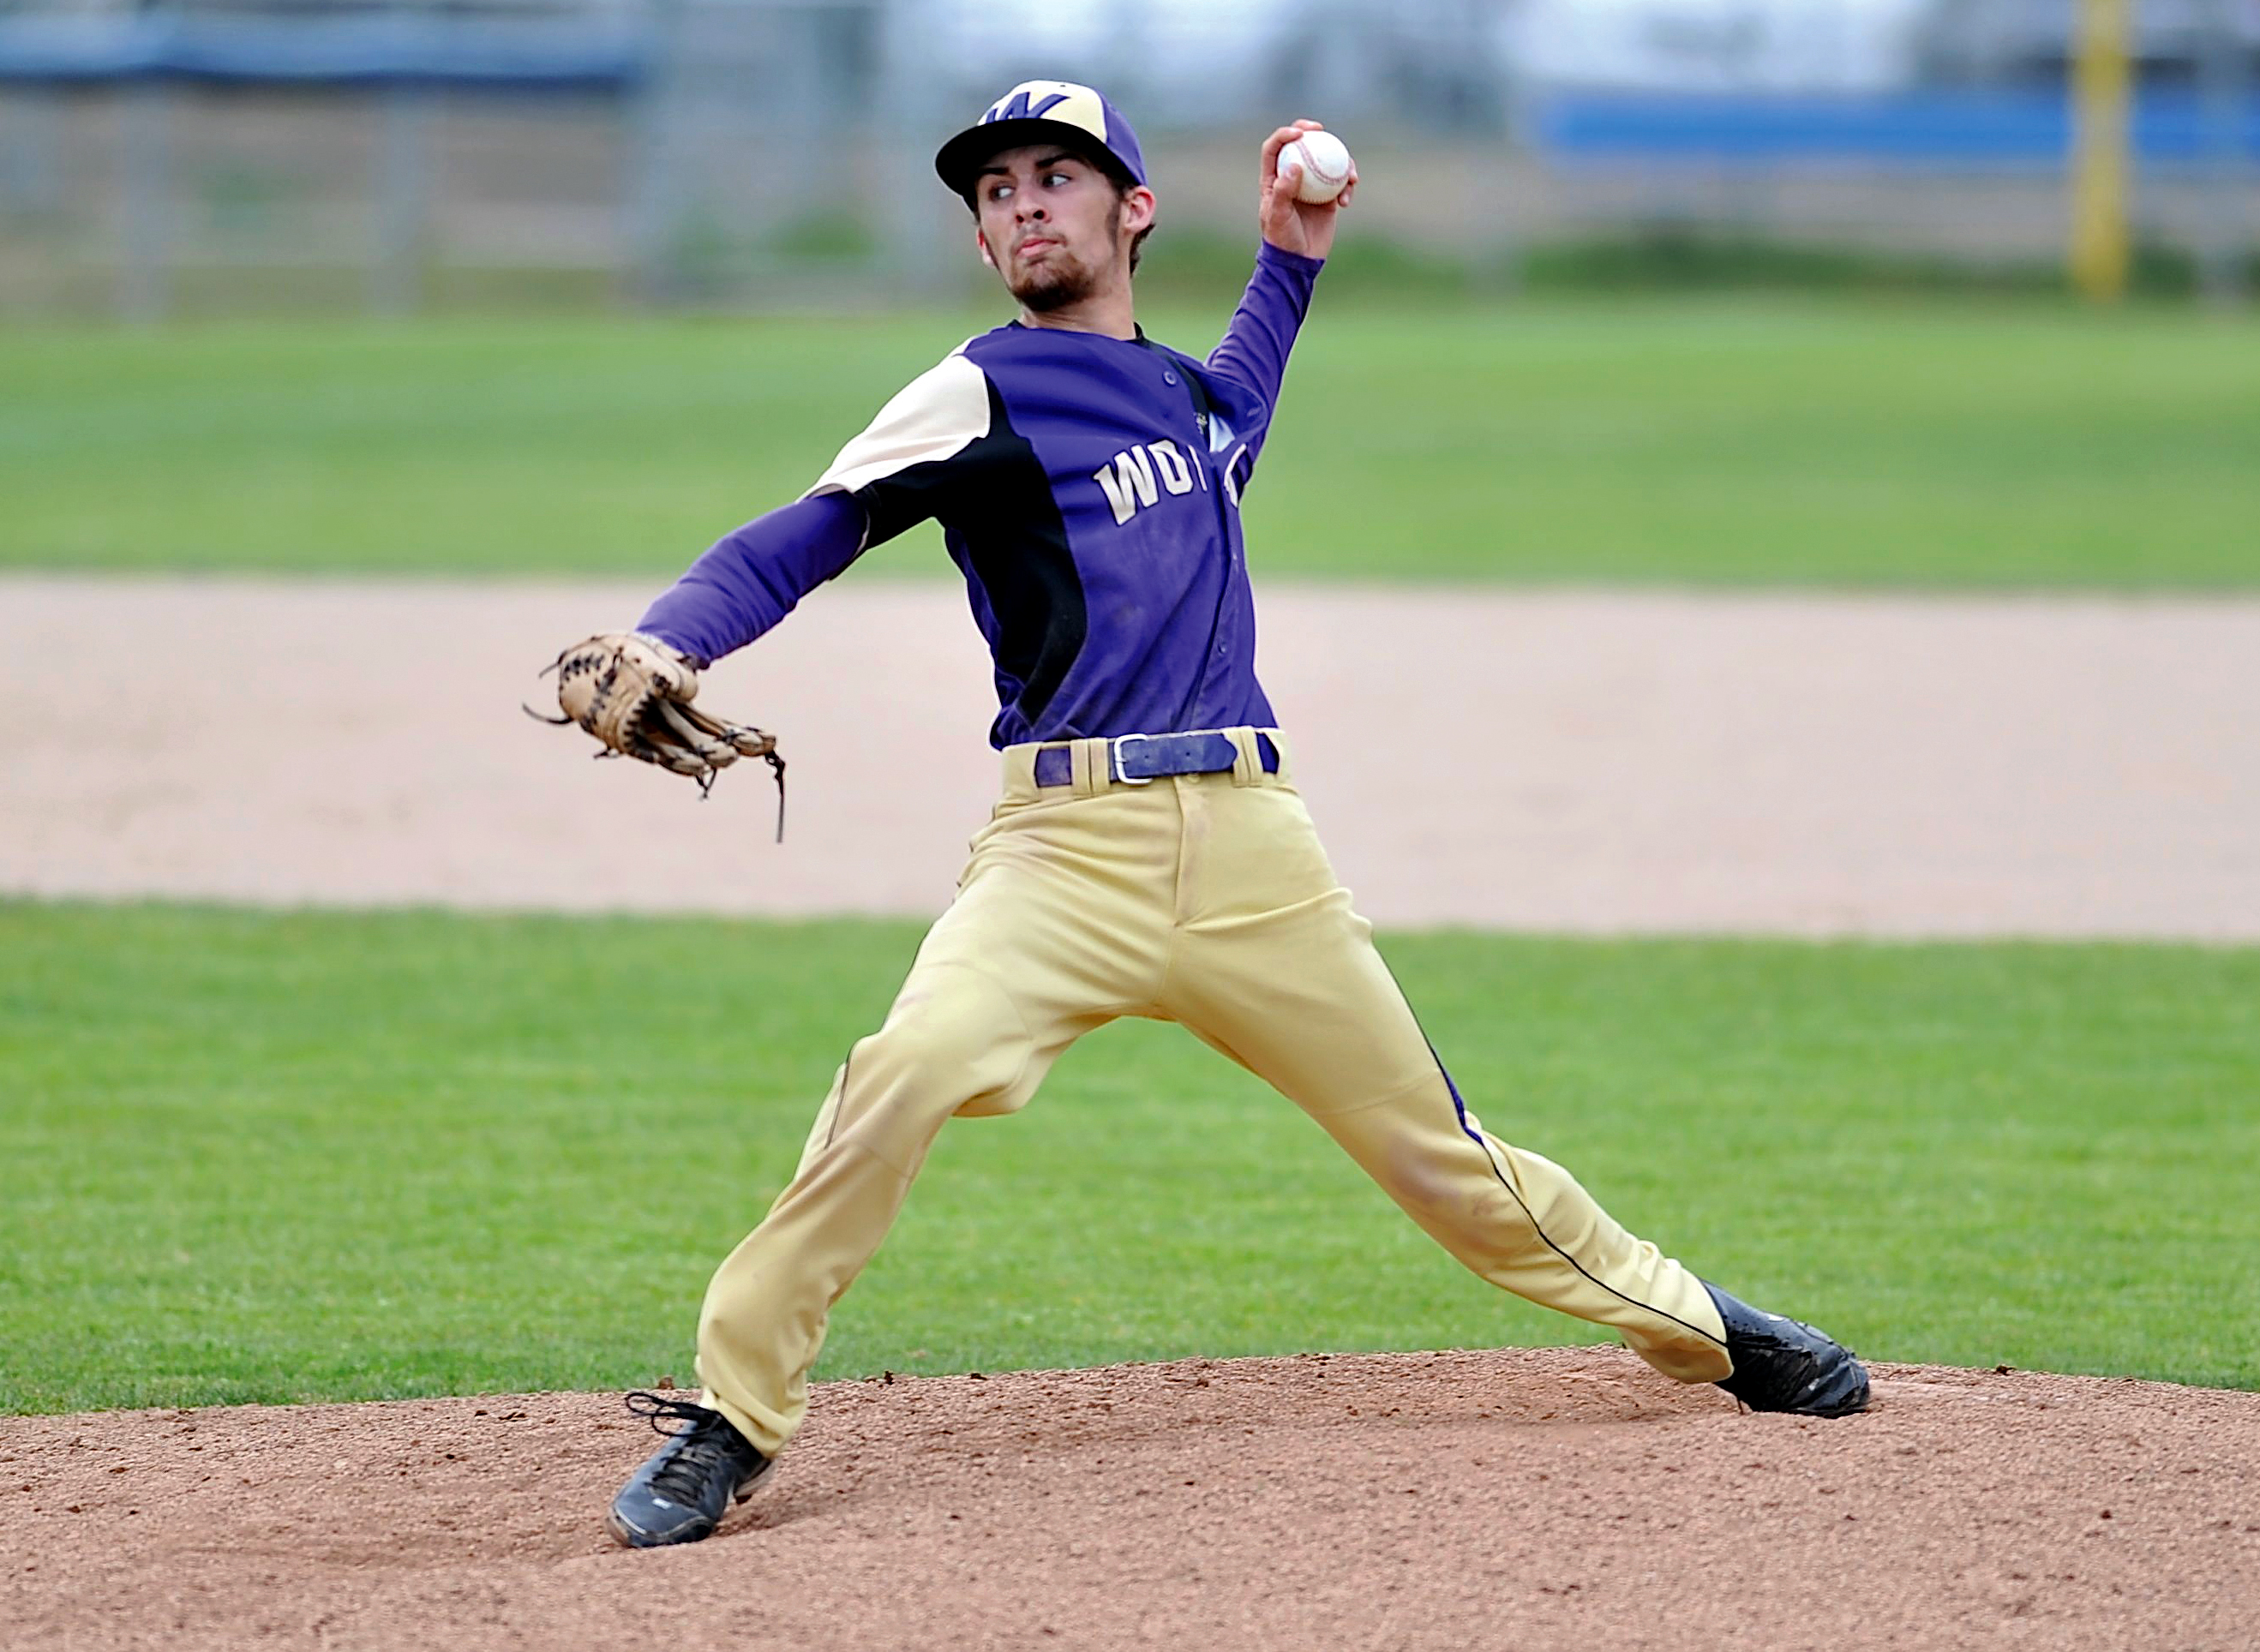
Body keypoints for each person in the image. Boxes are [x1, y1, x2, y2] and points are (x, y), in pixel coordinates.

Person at [599, 81, 1868, 1551]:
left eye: (1054, 176)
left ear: (1131, 209)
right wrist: (672, 636)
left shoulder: (1187, 404)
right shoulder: (981, 387)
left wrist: (1293, 253)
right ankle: (733, 1419)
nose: (1020, 201)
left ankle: (1705, 1327)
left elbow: (1238, 398)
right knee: (896, 1079)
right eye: (994, 186)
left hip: (1259, 855)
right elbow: (809, 528)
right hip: (1060, 860)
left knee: (1445, 1164)